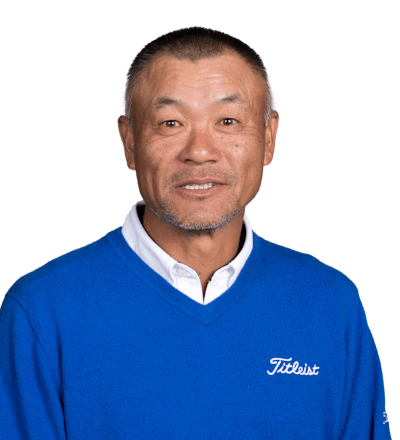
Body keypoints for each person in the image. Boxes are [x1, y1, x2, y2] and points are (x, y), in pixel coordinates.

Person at [0, 26, 392, 439]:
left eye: (228, 121)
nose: (200, 151)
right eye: (170, 122)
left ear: (269, 137)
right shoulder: (42, 311)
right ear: (129, 142)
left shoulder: (330, 303)